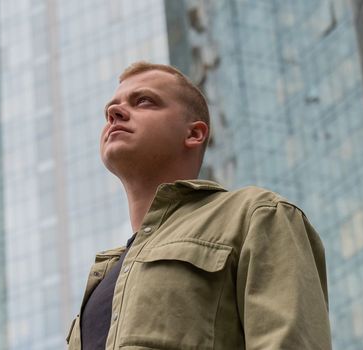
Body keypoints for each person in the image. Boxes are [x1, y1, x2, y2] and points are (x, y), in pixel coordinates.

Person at [66, 61, 331, 350]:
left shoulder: (256, 214)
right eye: (109, 110)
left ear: (194, 134)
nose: (114, 113)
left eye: (143, 101)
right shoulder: (100, 281)